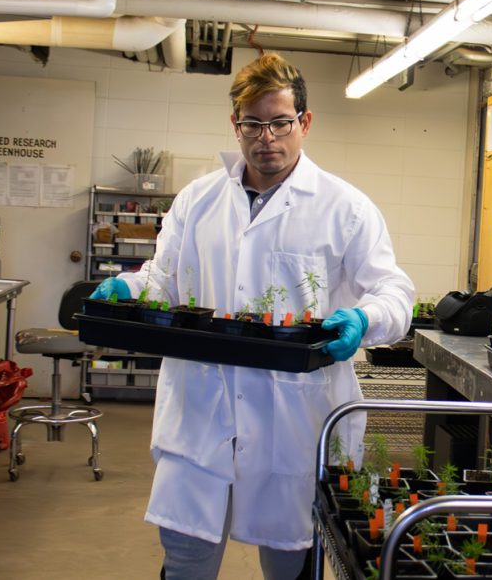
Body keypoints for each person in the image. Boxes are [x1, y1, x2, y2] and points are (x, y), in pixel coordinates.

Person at [89, 52, 415, 579]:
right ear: (235, 126)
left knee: (290, 560)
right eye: (253, 124)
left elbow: (395, 291)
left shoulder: (344, 207)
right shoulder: (197, 201)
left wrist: (363, 320)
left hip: (292, 418)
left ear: (304, 123)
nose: (267, 137)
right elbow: (164, 279)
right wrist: (126, 287)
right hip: (201, 413)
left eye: (281, 122)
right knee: (185, 558)